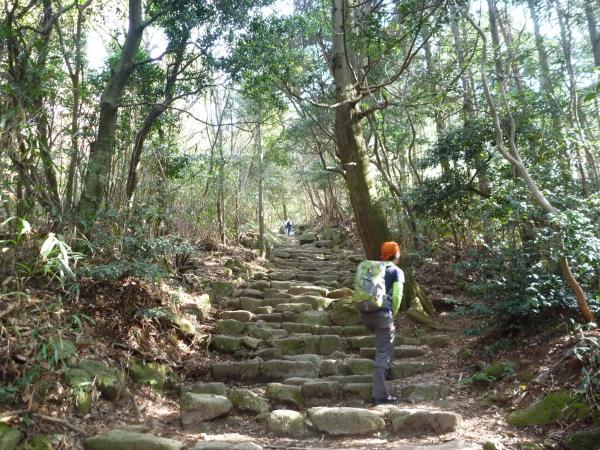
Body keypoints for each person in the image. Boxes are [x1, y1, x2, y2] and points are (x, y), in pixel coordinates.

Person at [360, 241, 404, 405]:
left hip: (365, 313)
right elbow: (397, 296)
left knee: (387, 340)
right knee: (383, 352)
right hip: (382, 315)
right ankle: (379, 395)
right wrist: (393, 313)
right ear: (396, 255)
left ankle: (388, 371)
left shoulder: (372, 268)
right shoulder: (396, 271)